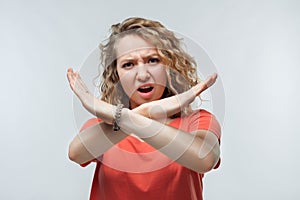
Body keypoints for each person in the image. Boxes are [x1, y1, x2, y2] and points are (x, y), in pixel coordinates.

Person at [67, 17, 221, 200]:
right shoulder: (103, 126)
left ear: (169, 66)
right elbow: (76, 153)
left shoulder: (197, 121)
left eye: (153, 60)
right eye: (128, 64)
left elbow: (204, 159)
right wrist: (147, 113)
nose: (142, 74)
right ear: (116, 75)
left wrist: (125, 117)